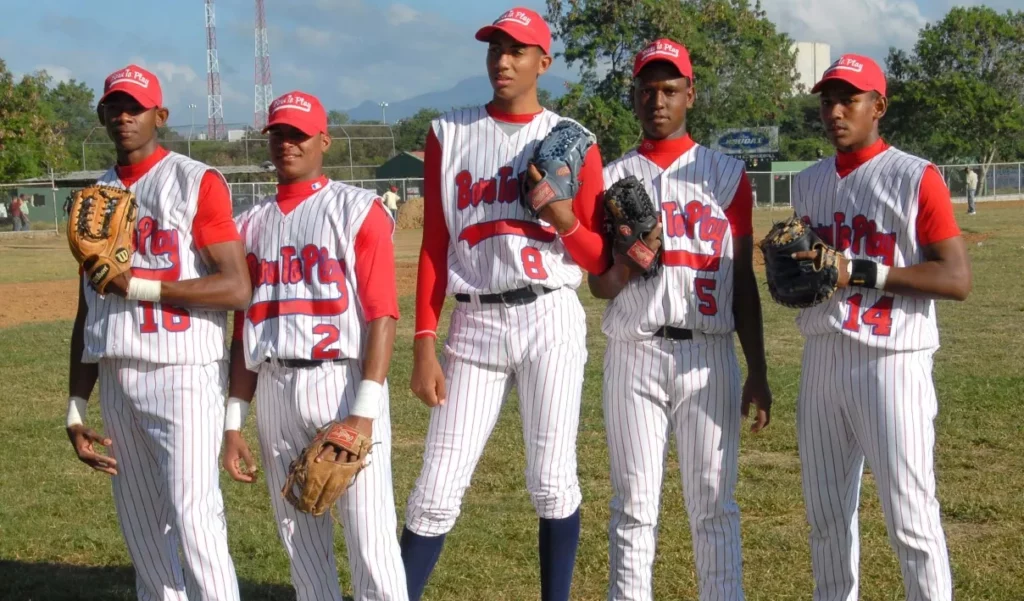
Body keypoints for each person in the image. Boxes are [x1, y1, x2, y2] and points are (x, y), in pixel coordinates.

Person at [401, 7, 611, 601]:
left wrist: (563, 217)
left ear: (544, 62)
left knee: (552, 481)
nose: (503, 59)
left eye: (518, 50)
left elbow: (598, 258)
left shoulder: (572, 138)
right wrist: (424, 340)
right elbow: (435, 244)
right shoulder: (448, 133)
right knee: (436, 488)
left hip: (550, 314)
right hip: (474, 319)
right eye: (496, 48)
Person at [588, 38, 772, 601]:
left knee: (714, 505)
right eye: (647, 90)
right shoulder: (612, 178)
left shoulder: (727, 175)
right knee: (633, 507)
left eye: (670, 89)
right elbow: (600, 286)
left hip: (708, 354)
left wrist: (758, 369)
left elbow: (742, 281)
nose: (658, 101)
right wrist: (625, 261)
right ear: (634, 96)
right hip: (634, 351)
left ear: (690, 94)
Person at [64, 64, 250, 601]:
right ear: (102, 115)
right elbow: (87, 308)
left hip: (183, 372)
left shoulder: (195, 181)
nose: (124, 117)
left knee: (195, 521)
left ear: (160, 115)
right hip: (117, 374)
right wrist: (75, 407)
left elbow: (237, 287)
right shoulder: (95, 195)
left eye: (135, 107)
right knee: (143, 530)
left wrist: (140, 286)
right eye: (114, 107)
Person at [791, 54, 971, 601]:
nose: (835, 111)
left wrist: (859, 271)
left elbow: (956, 278)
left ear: (879, 106)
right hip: (823, 355)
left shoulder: (916, 176)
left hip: (892, 358)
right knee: (826, 518)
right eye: (828, 101)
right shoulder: (807, 183)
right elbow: (816, 275)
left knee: (911, 519)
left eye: (849, 100)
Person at [221, 90, 408, 601]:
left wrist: (364, 412)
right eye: (279, 133)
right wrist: (234, 422)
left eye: (299, 134)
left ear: (324, 140)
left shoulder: (357, 210)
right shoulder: (247, 225)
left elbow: (382, 314)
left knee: (370, 540)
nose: (287, 143)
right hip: (274, 382)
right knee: (299, 542)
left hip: (341, 381)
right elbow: (242, 330)